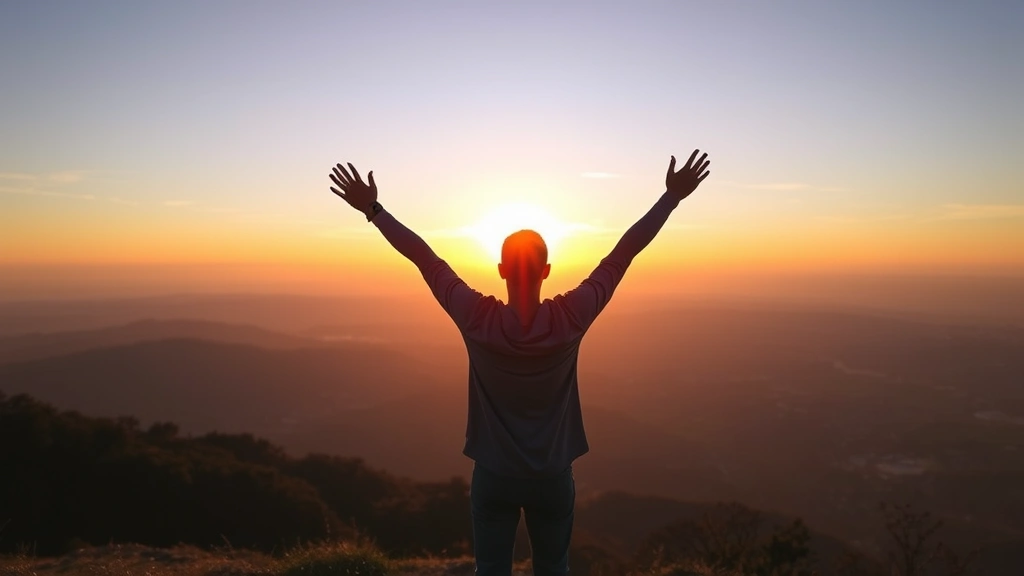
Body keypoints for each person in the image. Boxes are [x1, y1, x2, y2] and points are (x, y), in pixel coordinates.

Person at [327, 150, 711, 576]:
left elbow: (425, 258)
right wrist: (671, 198)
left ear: (501, 270)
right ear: (546, 270)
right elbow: (622, 254)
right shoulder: (570, 318)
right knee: (553, 566)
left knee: (491, 569)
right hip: (552, 475)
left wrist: (374, 210)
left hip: (494, 474)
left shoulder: (476, 318)